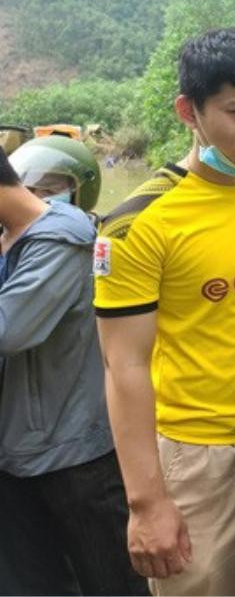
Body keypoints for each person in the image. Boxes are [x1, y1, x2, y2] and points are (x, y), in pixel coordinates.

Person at [94, 27, 235, 596]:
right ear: (189, 110)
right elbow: (124, 366)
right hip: (200, 457)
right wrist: (148, 502)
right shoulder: (139, 222)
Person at [0, 142, 148, 596]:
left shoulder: (64, 238)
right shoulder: (7, 238)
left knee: (111, 584)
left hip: (75, 456)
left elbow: (10, 331)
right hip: (15, 456)